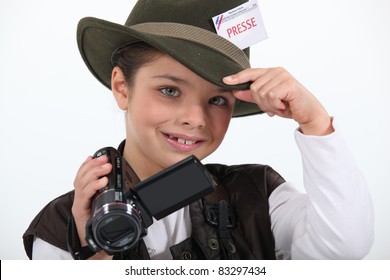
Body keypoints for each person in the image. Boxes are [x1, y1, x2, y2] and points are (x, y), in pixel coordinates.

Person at [23, 0, 374, 260]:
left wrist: (314, 122)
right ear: (122, 87)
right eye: (170, 90)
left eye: (218, 100)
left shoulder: (257, 196)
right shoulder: (61, 224)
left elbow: (344, 248)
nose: (195, 118)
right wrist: (95, 251)